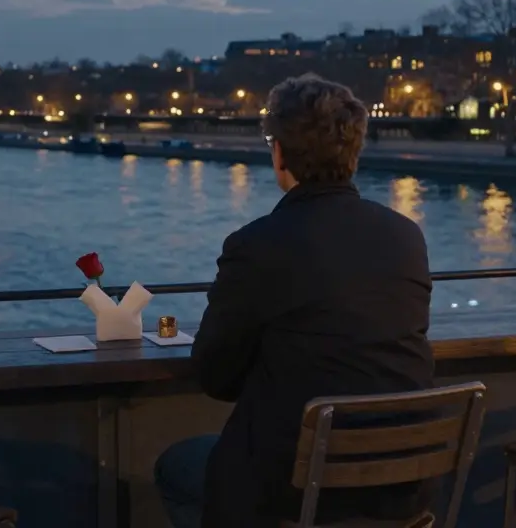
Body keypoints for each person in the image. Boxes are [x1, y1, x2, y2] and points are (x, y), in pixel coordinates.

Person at [155, 74, 435, 528]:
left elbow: (215, 376)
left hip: (295, 497)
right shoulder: (406, 236)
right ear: (354, 152)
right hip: (402, 492)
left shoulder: (258, 245)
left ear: (280, 153)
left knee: (178, 466)